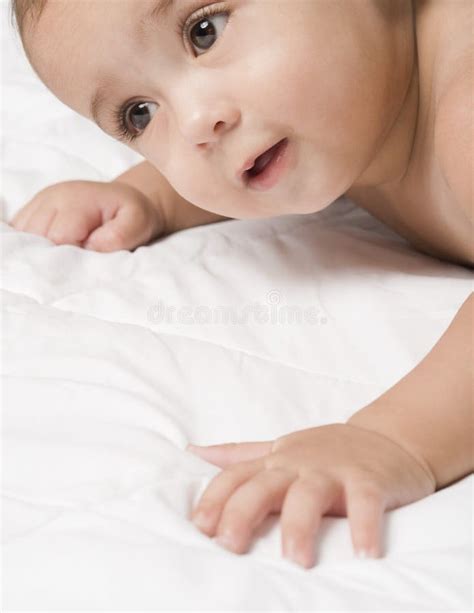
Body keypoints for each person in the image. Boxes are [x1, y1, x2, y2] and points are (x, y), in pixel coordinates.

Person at [8, 0, 473, 569]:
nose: (198, 124)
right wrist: (149, 197)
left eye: (205, 31)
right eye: (140, 114)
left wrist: (396, 440)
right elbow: (247, 151)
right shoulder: (347, 101)